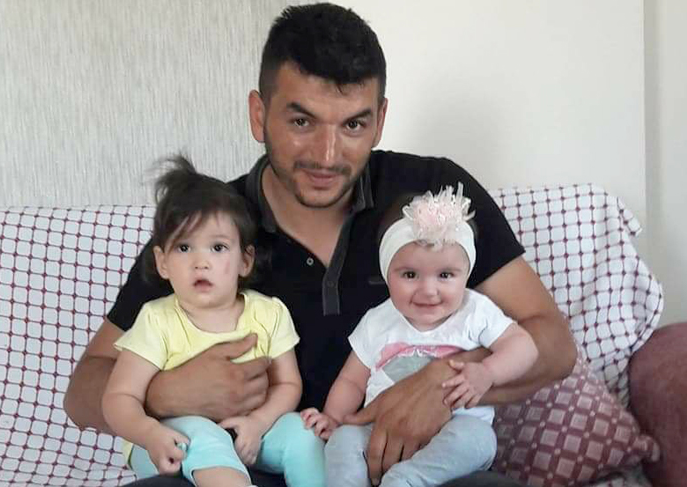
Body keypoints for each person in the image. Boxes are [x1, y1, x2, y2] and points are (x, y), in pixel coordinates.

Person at [64, 3, 577, 486]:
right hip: (246, 468)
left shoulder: (435, 193)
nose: (327, 155)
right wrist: (162, 392)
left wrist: (441, 384)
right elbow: (83, 389)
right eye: (302, 121)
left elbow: (553, 344)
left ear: (379, 120)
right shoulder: (207, 231)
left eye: (353, 124)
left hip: (422, 468)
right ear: (259, 114)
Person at [101, 157, 324, 486]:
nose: (200, 262)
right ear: (162, 262)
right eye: (184, 247)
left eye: (218, 247)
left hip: (247, 430)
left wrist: (259, 422)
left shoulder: (268, 313)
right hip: (168, 440)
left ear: (245, 260)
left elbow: (287, 384)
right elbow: (119, 398)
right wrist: (149, 433)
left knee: (302, 434)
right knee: (205, 436)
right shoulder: (157, 320)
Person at [300, 187, 538, 486]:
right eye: (410, 275)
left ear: (466, 274)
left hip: (455, 429)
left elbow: (524, 346)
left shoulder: (475, 311)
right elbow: (351, 381)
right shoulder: (378, 320)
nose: (428, 290)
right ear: (387, 274)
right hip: (380, 431)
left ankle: (408, 479)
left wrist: (488, 372)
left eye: (445, 275)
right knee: (343, 440)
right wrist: (333, 418)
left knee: (478, 439)